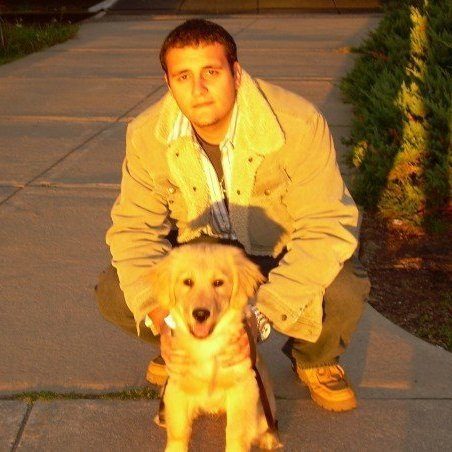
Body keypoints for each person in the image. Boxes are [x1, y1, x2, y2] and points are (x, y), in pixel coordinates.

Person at [96, 18, 370, 412]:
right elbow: (134, 230)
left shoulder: (298, 124)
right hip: (204, 260)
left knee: (343, 287)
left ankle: (315, 358)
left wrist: (259, 317)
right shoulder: (146, 134)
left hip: (279, 251)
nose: (198, 89)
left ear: (236, 73)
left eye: (211, 72)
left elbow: (328, 227)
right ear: (168, 83)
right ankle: (192, 344)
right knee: (116, 290)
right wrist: (164, 318)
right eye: (183, 76)